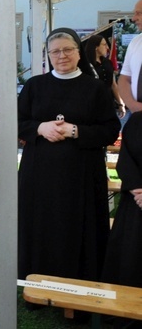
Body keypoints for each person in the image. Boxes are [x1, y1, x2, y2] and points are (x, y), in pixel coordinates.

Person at [18, 28, 120, 305]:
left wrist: (76, 131)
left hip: (82, 175)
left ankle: (80, 290)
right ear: (48, 56)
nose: (61, 56)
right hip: (40, 175)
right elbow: (17, 122)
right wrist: (40, 127)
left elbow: (110, 129)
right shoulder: (34, 86)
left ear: (78, 52)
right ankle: (37, 289)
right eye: (55, 51)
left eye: (67, 50)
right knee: (42, 228)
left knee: (80, 228)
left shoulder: (95, 88)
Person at [102, 112, 142, 329]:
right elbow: (125, 160)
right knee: (130, 257)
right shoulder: (137, 121)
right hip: (135, 206)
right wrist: (137, 189)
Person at [84, 34, 125, 118]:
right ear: (96, 47)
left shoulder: (108, 62)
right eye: (104, 44)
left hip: (109, 102)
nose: (107, 47)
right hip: (92, 104)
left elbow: (113, 84)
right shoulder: (86, 65)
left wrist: (120, 103)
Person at [119, 0, 142, 113]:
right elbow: (124, 78)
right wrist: (133, 105)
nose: (134, 19)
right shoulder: (135, 43)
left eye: (139, 13)